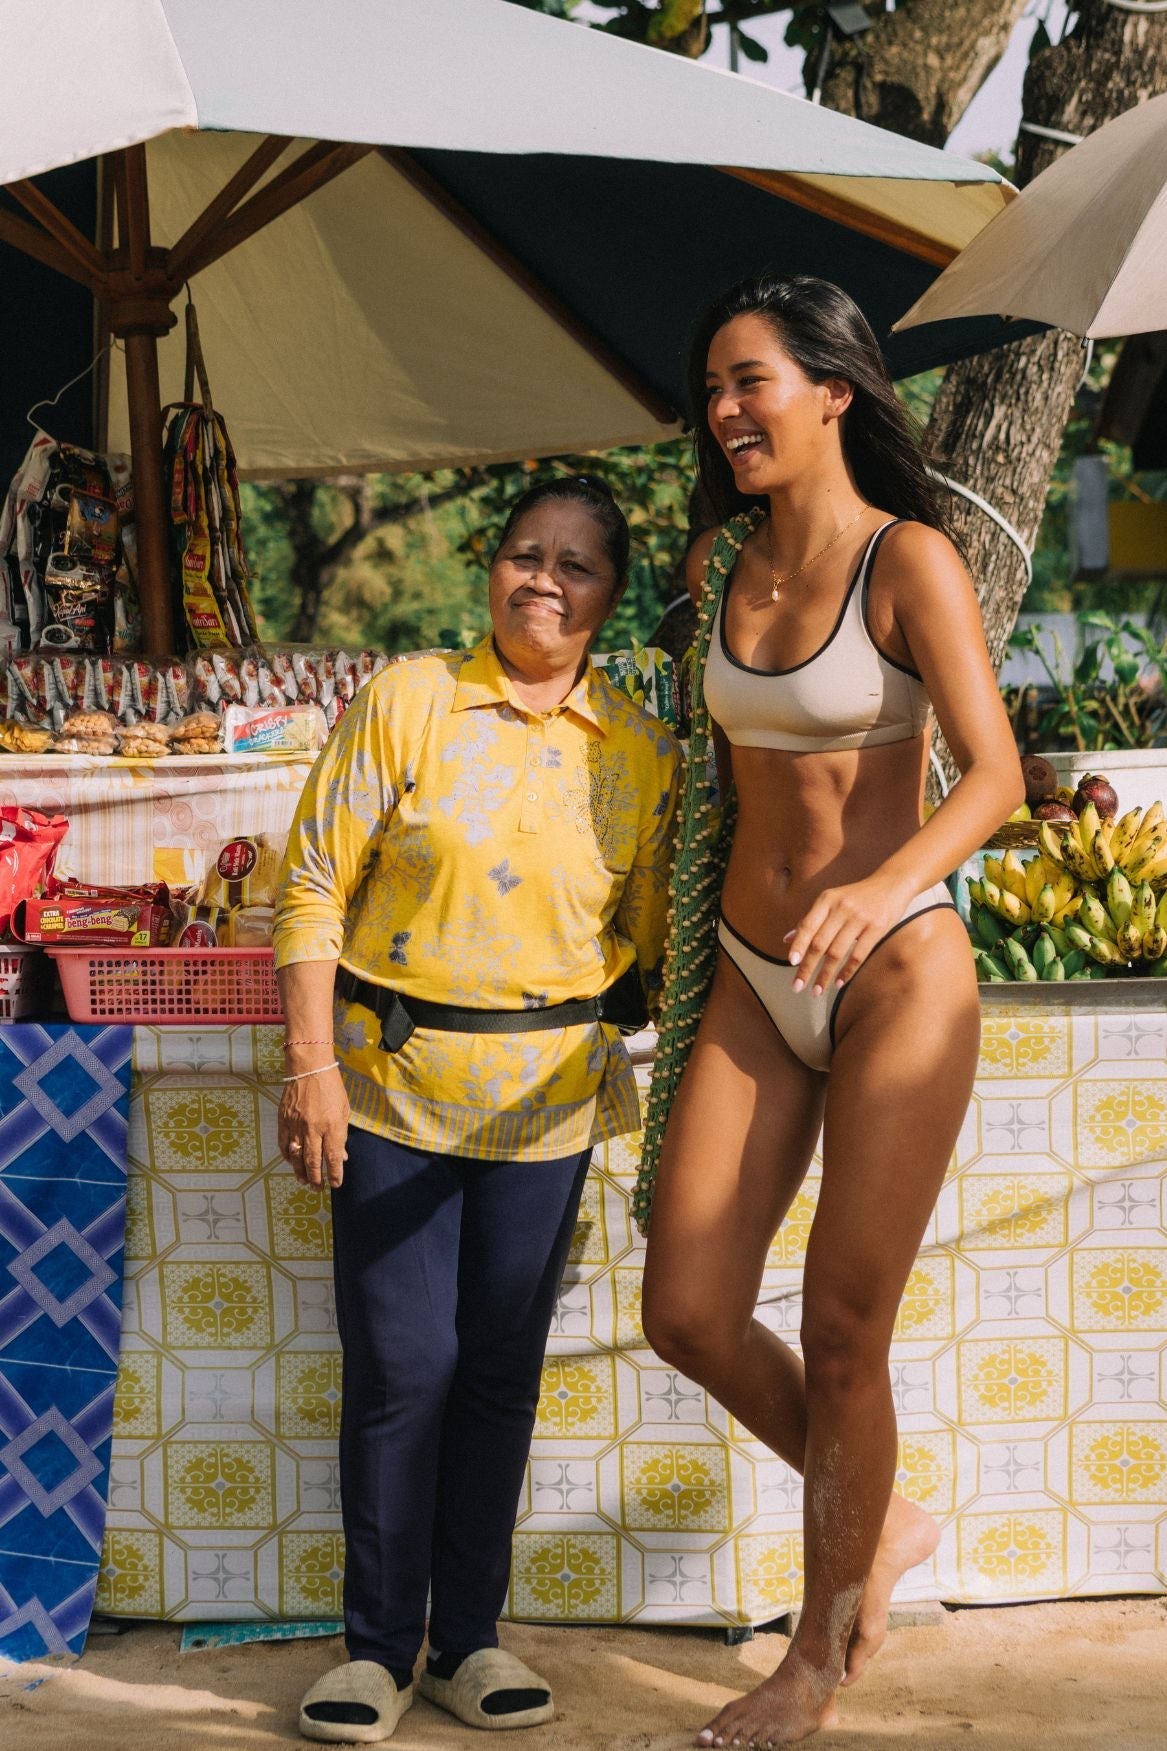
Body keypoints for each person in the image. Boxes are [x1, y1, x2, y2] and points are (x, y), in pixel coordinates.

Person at [637, 274, 1023, 1748]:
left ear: (830, 392)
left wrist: (885, 883)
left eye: (750, 382)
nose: (725, 410)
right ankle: (887, 1514)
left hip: (894, 965)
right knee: (685, 1306)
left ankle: (812, 1655)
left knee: (841, 1323)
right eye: (713, 389)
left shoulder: (904, 559)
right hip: (749, 962)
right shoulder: (710, 564)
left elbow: (990, 770)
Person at [272, 476, 680, 1745]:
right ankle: (377, 1650)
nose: (542, 581)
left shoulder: (642, 749)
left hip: (549, 1110)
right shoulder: (409, 698)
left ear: (613, 597)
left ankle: (469, 1642)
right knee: (405, 1369)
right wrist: (310, 1062)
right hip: (388, 1089)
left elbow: (647, 941)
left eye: (576, 565)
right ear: (489, 567)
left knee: (499, 1373)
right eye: (522, 554)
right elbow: (308, 887)